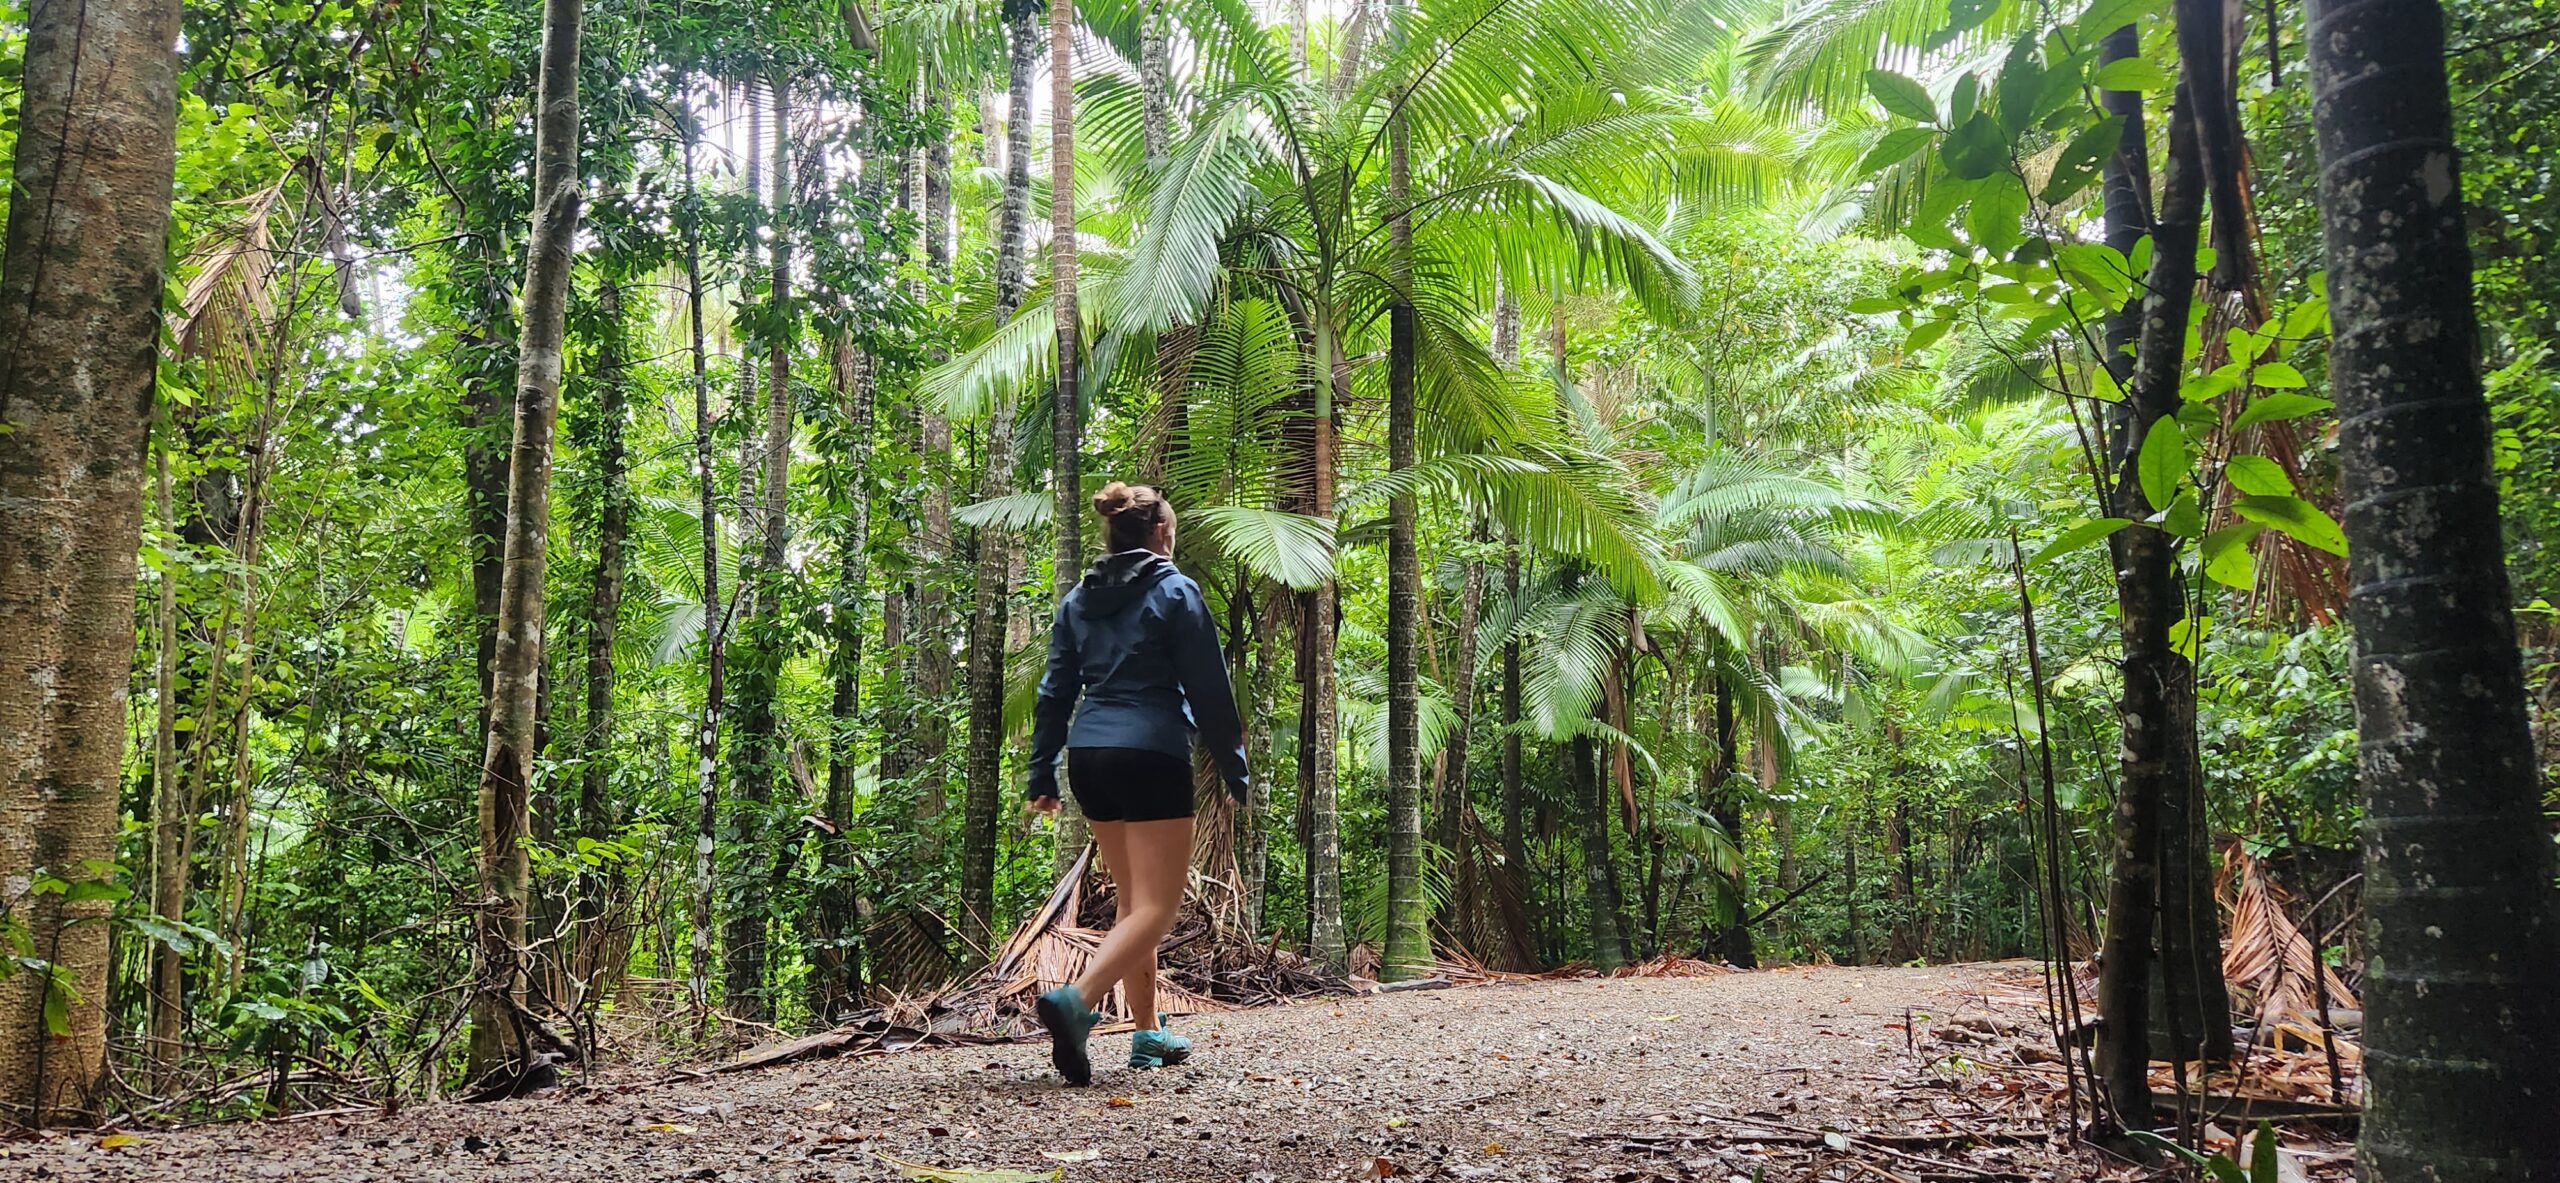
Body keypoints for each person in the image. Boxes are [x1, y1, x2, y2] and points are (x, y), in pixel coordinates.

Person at [1025, 482, 1250, 1086]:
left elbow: (1054, 692)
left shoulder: (1078, 599)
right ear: (1157, 534)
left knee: (1132, 904)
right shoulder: (1176, 590)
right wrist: (1234, 766)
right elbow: (1210, 686)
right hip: (1151, 752)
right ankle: (1078, 1002)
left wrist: (1040, 770)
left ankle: (1148, 1033)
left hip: (1090, 755)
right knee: (1158, 907)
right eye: (1171, 531)